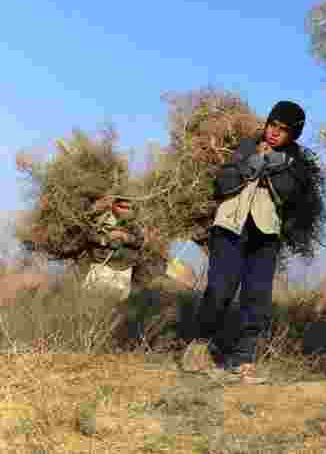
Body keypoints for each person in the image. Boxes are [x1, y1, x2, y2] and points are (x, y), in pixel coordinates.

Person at [182, 100, 313, 383]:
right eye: (273, 125)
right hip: (230, 228)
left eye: (284, 130)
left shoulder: (297, 163)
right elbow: (221, 183)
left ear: (294, 135)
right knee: (219, 290)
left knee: (257, 298)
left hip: (265, 235)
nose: (275, 133)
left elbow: (292, 194)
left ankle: (242, 361)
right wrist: (252, 164)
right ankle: (200, 347)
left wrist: (273, 167)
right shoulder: (245, 147)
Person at [79, 197, 171, 299]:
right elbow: (88, 235)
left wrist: (125, 237)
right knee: (93, 299)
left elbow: (139, 242)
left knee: (116, 304)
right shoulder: (100, 220)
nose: (125, 210)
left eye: (128, 208)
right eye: (122, 207)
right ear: (113, 206)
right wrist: (105, 239)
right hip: (102, 267)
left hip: (124, 271)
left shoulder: (134, 225)